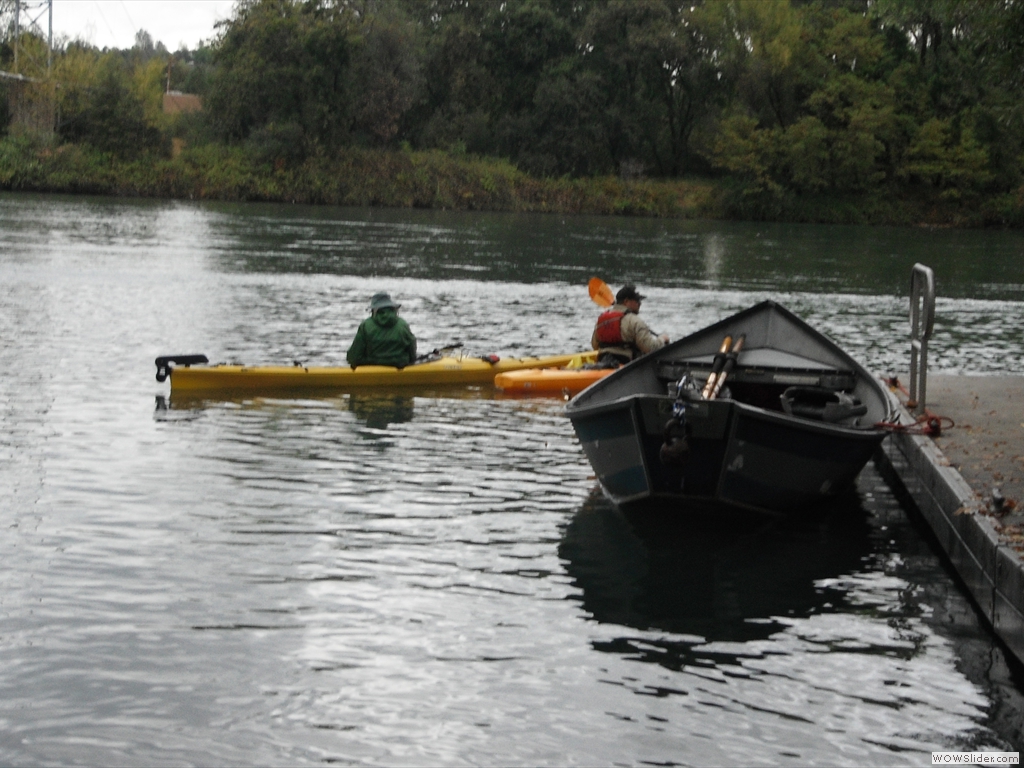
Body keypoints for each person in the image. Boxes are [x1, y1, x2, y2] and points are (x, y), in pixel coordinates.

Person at [591, 285, 669, 365]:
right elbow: (651, 348)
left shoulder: (602, 320)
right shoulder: (635, 321)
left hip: (603, 361)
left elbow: (595, 345)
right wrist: (662, 339)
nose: (639, 304)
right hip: (626, 365)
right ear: (626, 301)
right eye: (637, 301)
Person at [347, 292, 417, 368]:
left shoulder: (365, 326)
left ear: (374, 310)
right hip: (399, 367)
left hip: (372, 369)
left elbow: (353, 357)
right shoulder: (403, 325)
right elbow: (412, 350)